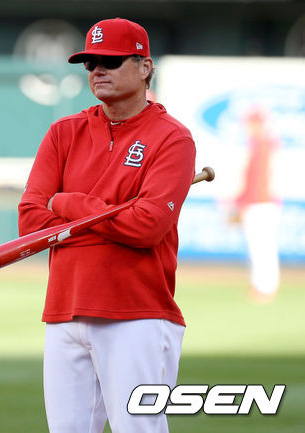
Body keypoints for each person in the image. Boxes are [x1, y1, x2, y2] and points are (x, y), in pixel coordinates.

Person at [18, 18, 196, 433]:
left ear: (145, 67)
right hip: (65, 310)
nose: (98, 70)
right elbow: (30, 219)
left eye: (111, 61)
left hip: (137, 314)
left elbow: (147, 226)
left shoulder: (172, 138)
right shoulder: (64, 131)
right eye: (91, 62)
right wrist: (111, 213)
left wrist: (67, 203)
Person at [232, 107, 281, 303]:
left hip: (260, 203)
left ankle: (265, 288)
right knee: (262, 248)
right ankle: (262, 286)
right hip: (264, 203)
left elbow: (256, 181)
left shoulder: (260, 144)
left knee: (261, 248)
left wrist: (241, 204)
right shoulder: (266, 144)